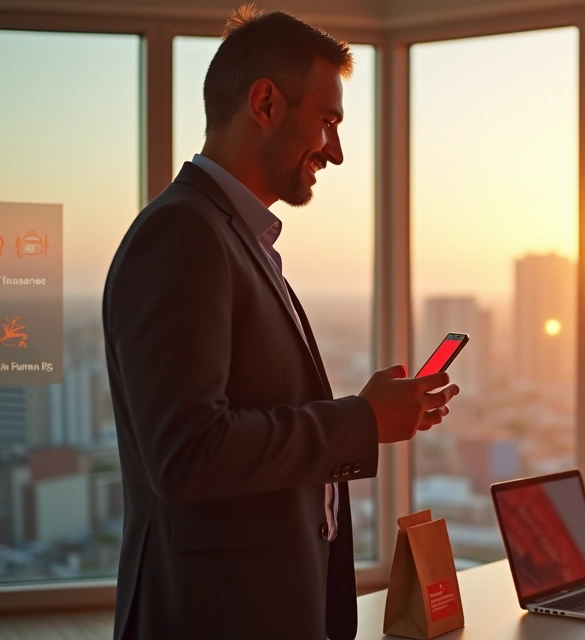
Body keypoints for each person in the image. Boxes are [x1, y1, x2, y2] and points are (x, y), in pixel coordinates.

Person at [102, 7, 459, 639]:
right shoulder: (183, 234)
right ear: (265, 103)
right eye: (327, 122)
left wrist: (367, 415)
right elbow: (187, 453)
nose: (338, 152)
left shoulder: (231, 236)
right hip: (213, 617)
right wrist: (362, 420)